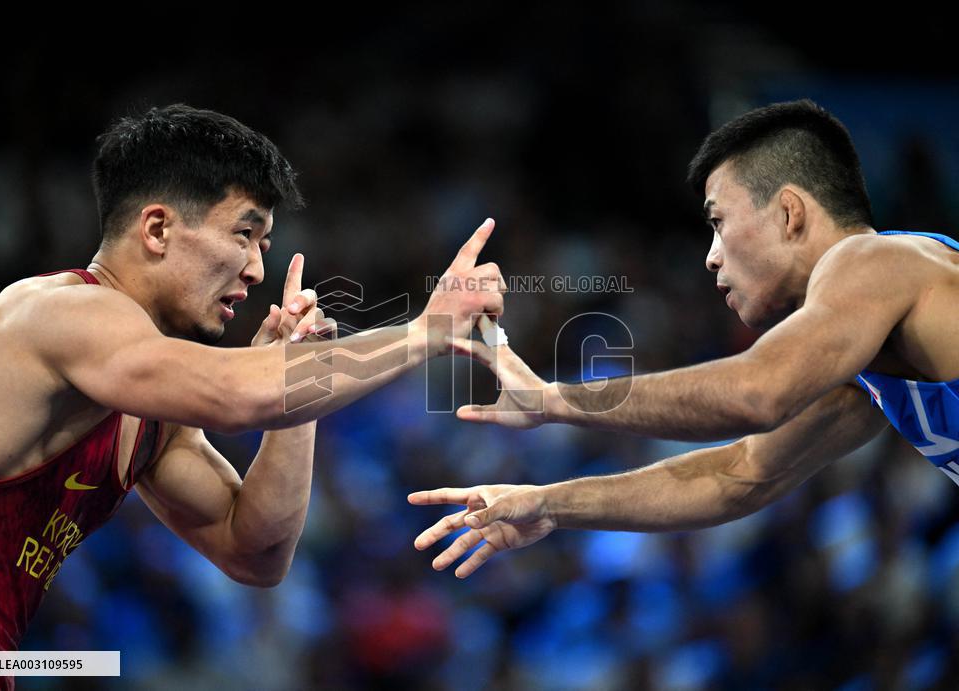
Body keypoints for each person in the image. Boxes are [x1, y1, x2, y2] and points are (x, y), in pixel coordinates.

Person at [0, 103, 505, 681]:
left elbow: (256, 553)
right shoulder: (57, 314)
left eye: (263, 245)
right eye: (244, 234)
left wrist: (296, 380)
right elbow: (236, 397)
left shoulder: (154, 416)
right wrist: (426, 332)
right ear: (157, 229)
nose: (255, 270)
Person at [410, 98, 959, 579]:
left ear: (790, 212)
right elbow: (740, 475)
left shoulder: (872, 260)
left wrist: (552, 400)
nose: (711, 257)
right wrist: (549, 505)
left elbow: (755, 392)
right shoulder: (864, 346)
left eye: (718, 222)